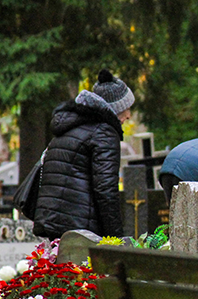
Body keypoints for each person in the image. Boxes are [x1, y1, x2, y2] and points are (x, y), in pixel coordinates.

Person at [33, 69, 133, 240]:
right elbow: (105, 189)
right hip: (82, 228)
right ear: (115, 109)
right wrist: (115, 239)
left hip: (54, 221)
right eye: (126, 108)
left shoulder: (70, 126)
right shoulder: (104, 133)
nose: (129, 115)